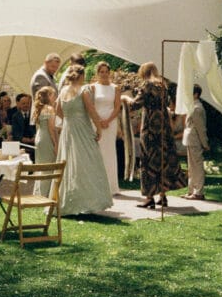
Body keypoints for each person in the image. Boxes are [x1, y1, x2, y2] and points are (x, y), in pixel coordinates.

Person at [55, 64, 113, 216]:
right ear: (81, 76)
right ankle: (88, 201)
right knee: (88, 161)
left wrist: (69, 119)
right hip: (82, 129)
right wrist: (98, 128)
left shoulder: (63, 91)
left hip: (68, 130)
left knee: (69, 163)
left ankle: (70, 200)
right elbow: (91, 110)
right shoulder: (83, 90)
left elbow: (58, 111)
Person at [126, 62, 186, 209]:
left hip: (150, 129)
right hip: (164, 129)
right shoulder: (163, 86)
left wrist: (125, 99)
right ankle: (163, 196)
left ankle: (149, 198)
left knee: (149, 161)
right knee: (163, 161)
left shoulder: (147, 86)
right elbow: (167, 104)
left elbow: (135, 105)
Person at [90, 61, 123, 195]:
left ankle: (112, 186)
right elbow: (90, 106)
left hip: (111, 122)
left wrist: (108, 120)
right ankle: (97, 184)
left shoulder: (115, 88)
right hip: (96, 121)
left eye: (106, 72)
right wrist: (98, 120)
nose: (104, 74)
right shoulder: (92, 87)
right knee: (97, 151)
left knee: (109, 152)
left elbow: (117, 107)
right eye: (101, 72)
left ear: (110, 73)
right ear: (97, 73)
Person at [182, 84, 211, 201]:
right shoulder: (193, 106)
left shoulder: (197, 108)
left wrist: (205, 143)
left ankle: (198, 192)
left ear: (196, 94)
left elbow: (201, 128)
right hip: (191, 139)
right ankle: (192, 190)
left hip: (195, 140)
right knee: (191, 167)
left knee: (197, 166)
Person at [31, 86, 59, 196]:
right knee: (48, 165)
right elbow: (51, 128)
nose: (55, 97)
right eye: (53, 95)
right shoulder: (49, 109)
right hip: (47, 138)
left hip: (39, 137)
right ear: (48, 96)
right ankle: (45, 193)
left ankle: (39, 192)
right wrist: (56, 144)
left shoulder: (40, 109)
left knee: (41, 165)